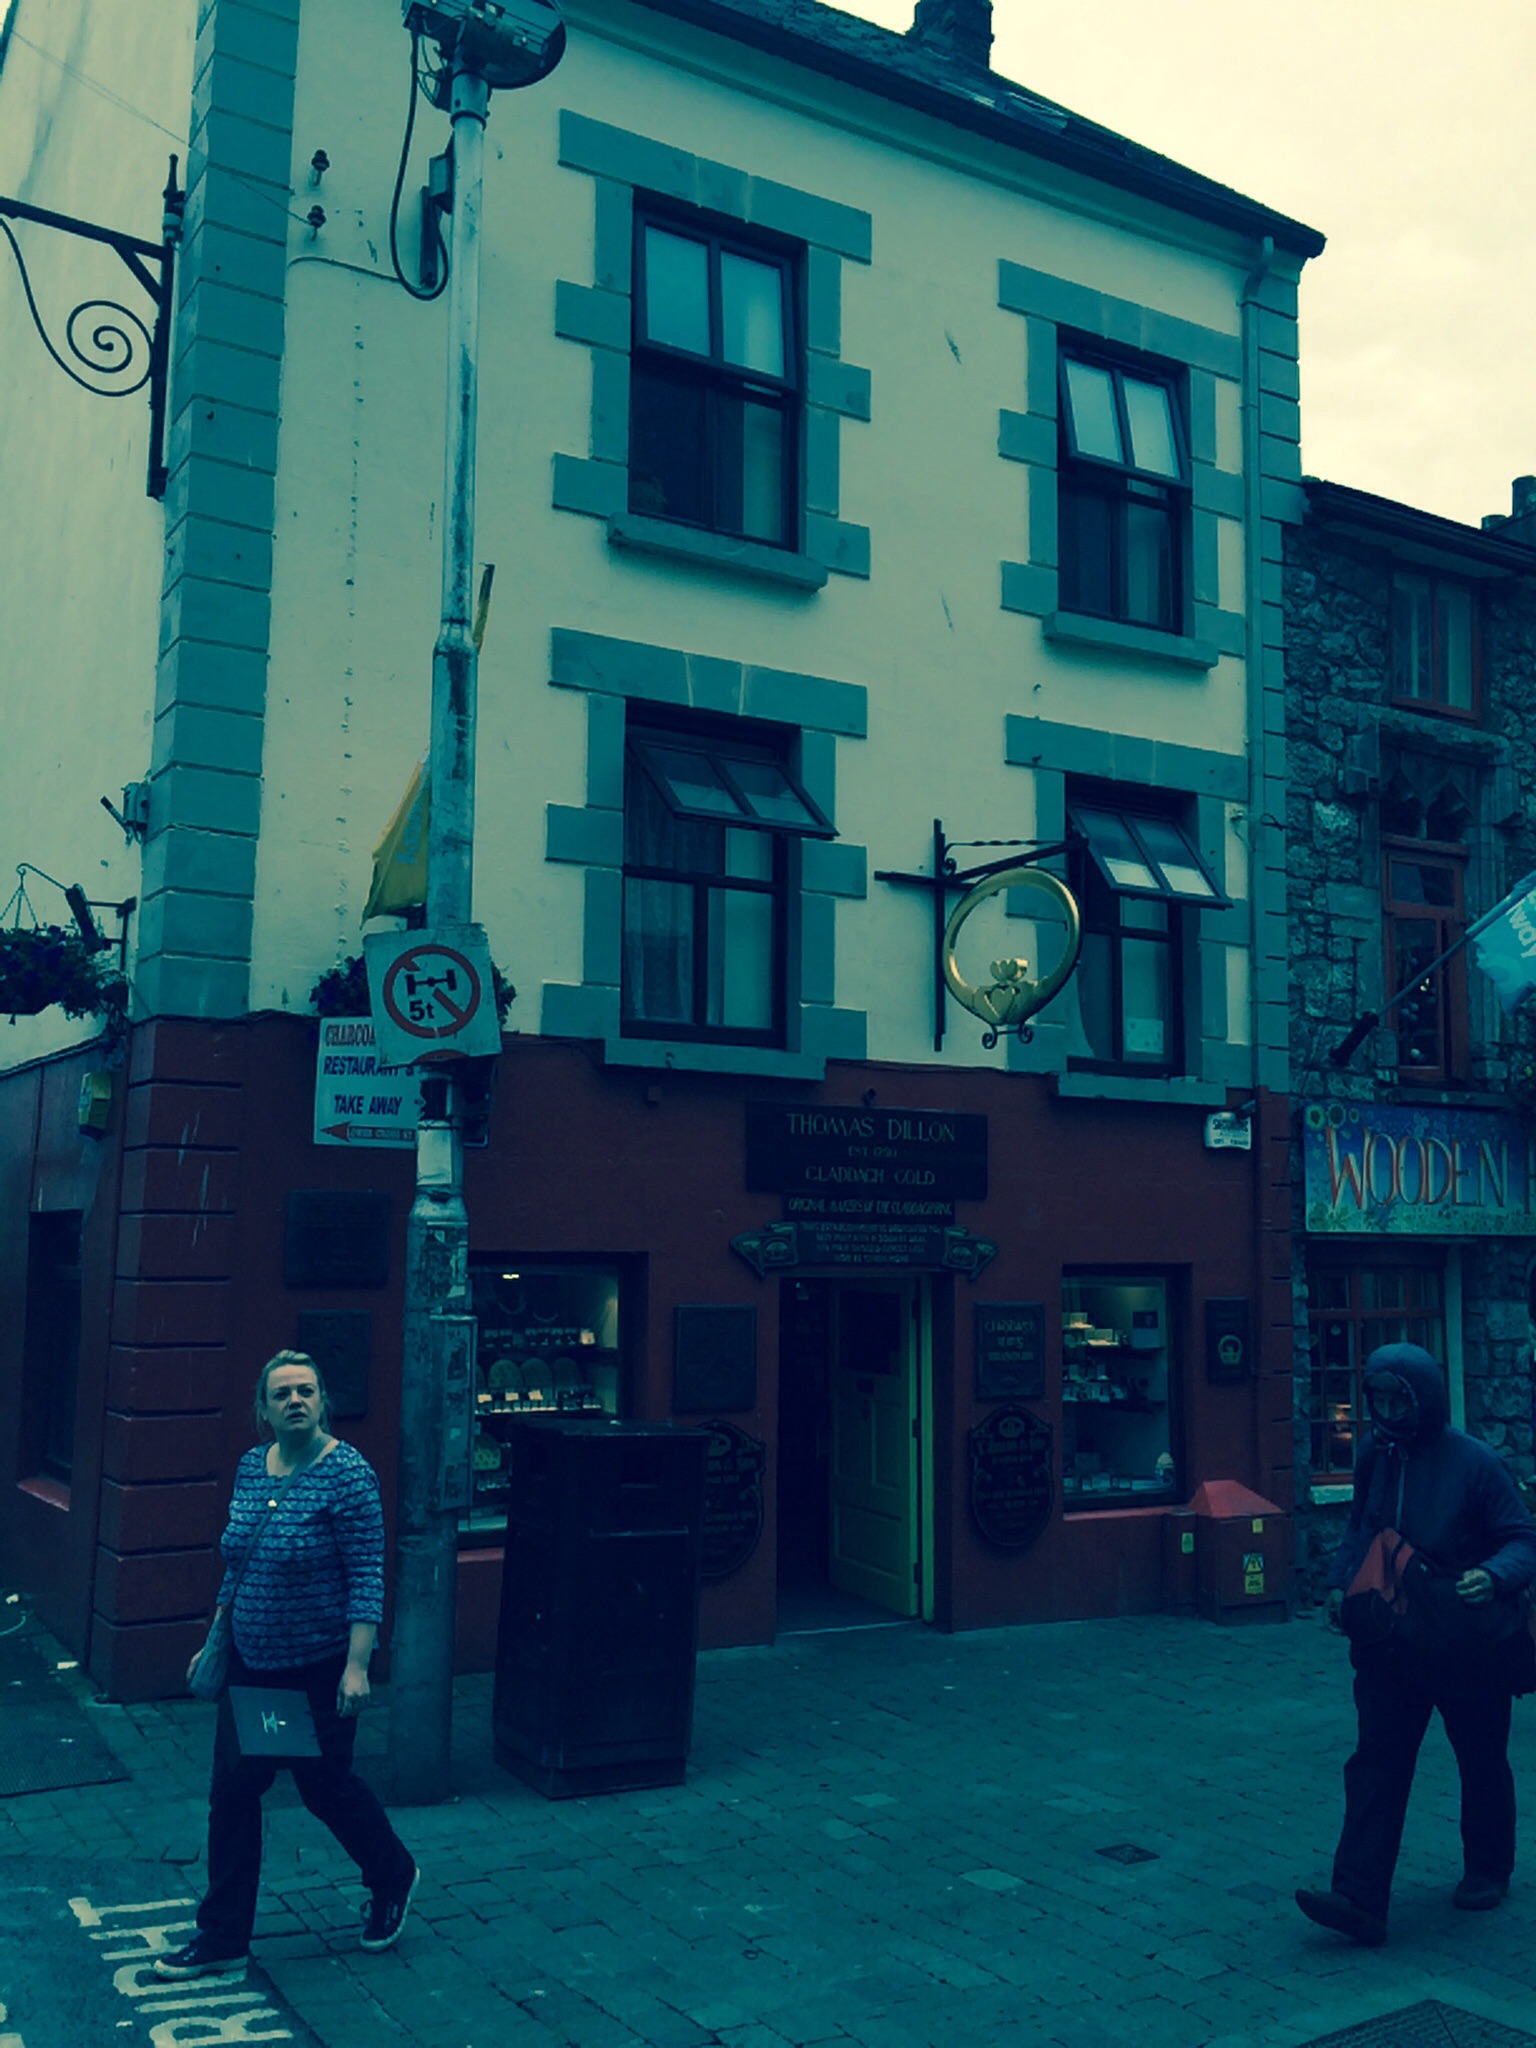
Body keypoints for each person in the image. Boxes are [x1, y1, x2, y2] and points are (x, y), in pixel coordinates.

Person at [154, 1351, 419, 1980]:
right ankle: (223, 1938)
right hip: (252, 1667)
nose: (295, 1401)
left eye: (306, 1390)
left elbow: (367, 1576)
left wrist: (357, 1666)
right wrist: (217, 1640)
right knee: (233, 1794)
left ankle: (393, 1873)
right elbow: (238, 1563)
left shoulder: (348, 1475)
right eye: (282, 1394)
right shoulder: (253, 1467)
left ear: (323, 1401)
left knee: (326, 1789)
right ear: (264, 1409)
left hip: (315, 1670)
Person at [1296, 1342, 1536, 1947]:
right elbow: (1362, 1528)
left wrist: (1494, 1575)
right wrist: (1337, 1583)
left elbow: (1523, 1539)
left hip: (1464, 1641)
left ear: (1422, 1398)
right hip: (1393, 1641)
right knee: (1376, 1760)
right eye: (1376, 1399)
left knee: (1480, 1757)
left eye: (1395, 1400)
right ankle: (1358, 1897)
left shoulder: (1475, 1463)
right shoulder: (1375, 1456)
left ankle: (1489, 1867)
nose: (1385, 1411)